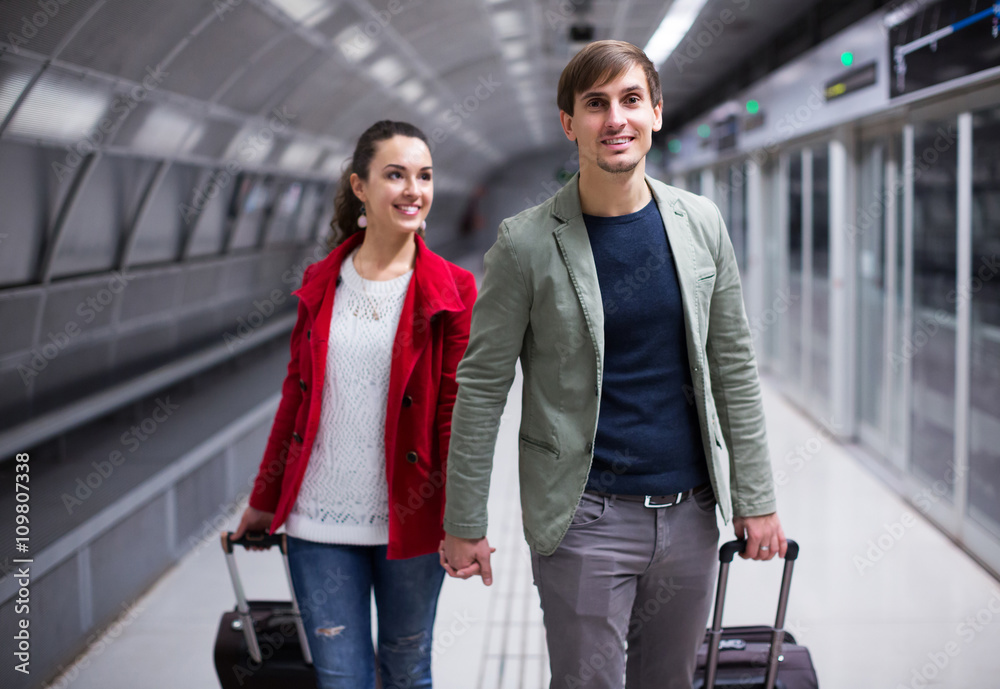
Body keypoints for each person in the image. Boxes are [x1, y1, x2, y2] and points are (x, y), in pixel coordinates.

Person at [440, 40, 787, 689]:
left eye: (631, 99)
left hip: (689, 515)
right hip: (585, 519)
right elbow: (482, 387)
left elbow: (733, 363)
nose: (615, 119)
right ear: (569, 123)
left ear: (657, 111)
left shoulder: (700, 224)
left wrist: (756, 497)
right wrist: (465, 521)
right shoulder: (526, 243)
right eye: (595, 104)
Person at [234, 120, 477, 689]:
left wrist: (465, 521)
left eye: (424, 175)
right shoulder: (322, 282)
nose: (413, 189)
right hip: (317, 525)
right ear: (360, 187)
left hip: (413, 523)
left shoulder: (454, 290)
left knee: (407, 671)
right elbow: (295, 399)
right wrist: (265, 500)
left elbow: (456, 416)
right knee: (341, 680)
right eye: (395, 175)